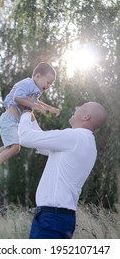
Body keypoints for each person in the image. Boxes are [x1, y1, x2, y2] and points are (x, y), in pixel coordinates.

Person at [18, 101, 107, 239]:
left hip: (51, 219)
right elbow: (42, 146)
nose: (76, 107)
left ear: (86, 117)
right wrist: (31, 117)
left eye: (80, 107)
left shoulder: (73, 137)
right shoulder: (88, 144)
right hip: (63, 218)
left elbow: (24, 138)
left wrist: (24, 112)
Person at [0, 62, 60, 186]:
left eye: (51, 84)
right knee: (15, 148)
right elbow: (17, 98)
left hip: (13, 121)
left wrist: (50, 108)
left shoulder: (35, 89)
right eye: (48, 82)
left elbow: (37, 102)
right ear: (37, 76)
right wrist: (35, 106)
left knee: (10, 147)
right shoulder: (27, 83)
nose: (48, 86)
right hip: (9, 120)